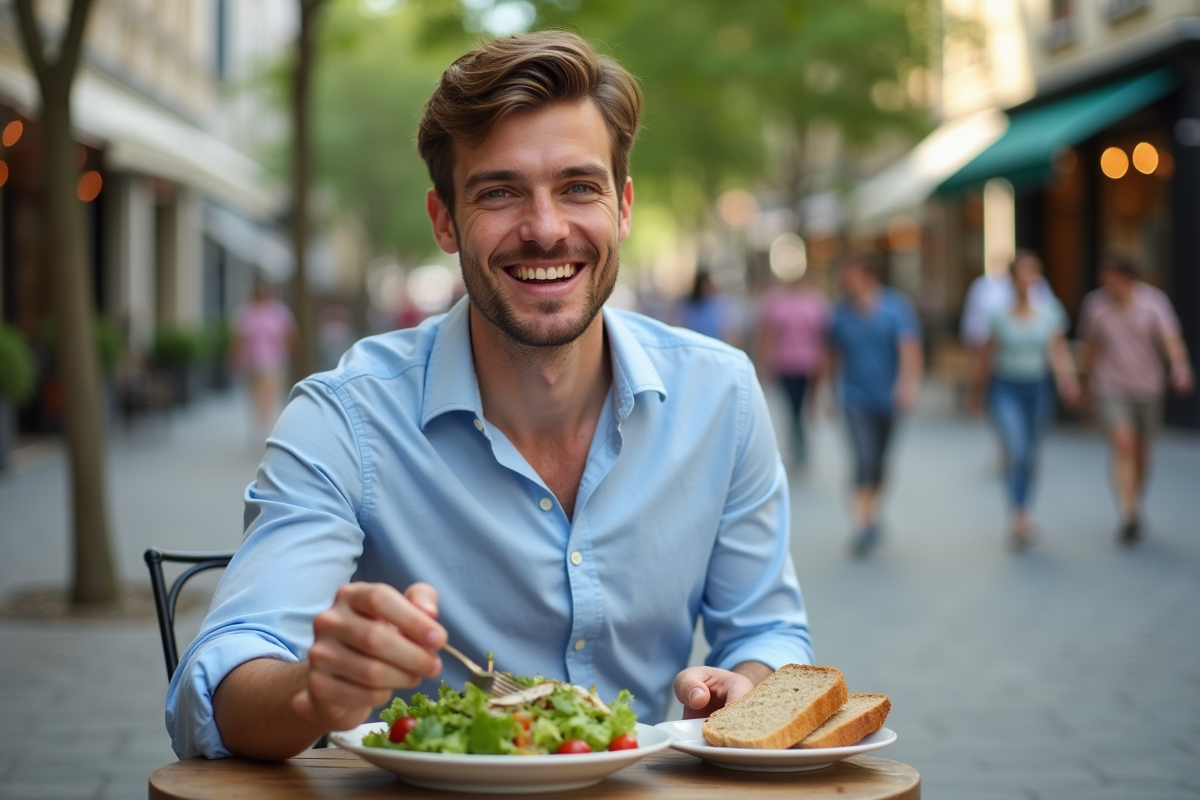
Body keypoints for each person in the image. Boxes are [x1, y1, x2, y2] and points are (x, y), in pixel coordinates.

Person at [166, 31, 812, 761]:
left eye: (579, 186)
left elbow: (765, 631)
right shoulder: (344, 419)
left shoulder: (720, 396)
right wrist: (314, 689)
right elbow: (215, 690)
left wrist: (746, 686)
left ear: (623, 208)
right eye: (500, 192)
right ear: (444, 220)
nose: (545, 229)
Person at [1079, 253, 1194, 544]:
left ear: (1127, 277)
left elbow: (1170, 339)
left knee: (1142, 451)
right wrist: (1086, 384)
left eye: (1109, 276)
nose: (1104, 282)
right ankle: (1128, 512)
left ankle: (1135, 500)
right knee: (1123, 444)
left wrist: (1180, 367)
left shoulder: (1154, 302)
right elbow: (1090, 348)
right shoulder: (1095, 305)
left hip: (1148, 387)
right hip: (1111, 386)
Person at [968, 251, 1079, 548]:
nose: (1029, 280)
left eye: (1034, 273)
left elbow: (1057, 350)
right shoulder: (998, 313)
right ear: (1013, 279)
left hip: (1038, 386)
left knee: (1030, 453)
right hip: (1006, 387)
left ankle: (1026, 508)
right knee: (1017, 449)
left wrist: (1067, 379)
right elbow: (985, 355)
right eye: (1024, 273)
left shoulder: (1049, 312)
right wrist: (977, 392)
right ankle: (1017, 515)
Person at [824, 254, 922, 556]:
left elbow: (909, 348)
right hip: (855, 398)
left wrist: (907, 385)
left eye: (850, 274)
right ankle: (862, 525)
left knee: (880, 463)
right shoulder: (841, 313)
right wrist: (829, 392)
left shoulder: (896, 308)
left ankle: (873, 512)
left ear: (868, 276)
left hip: (887, 399)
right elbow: (832, 355)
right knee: (864, 459)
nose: (844, 281)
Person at [755, 270, 830, 466]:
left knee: (804, 406)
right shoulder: (775, 301)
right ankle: (798, 446)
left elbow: (823, 336)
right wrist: (764, 362)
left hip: (809, 364)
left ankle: (800, 445)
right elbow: (767, 334)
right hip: (784, 363)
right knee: (791, 406)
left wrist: (824, 362)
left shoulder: (816, 302)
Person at [231, 280, 296, 441]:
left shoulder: (279, 312)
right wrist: (235, 357)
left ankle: (267, 421)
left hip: (274, 360)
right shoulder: (246, 313)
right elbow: (239, 339)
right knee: (255, 393)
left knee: (270, 392)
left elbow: (289, 335)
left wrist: (293, 353)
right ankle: (261, 422)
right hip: (253, 361)